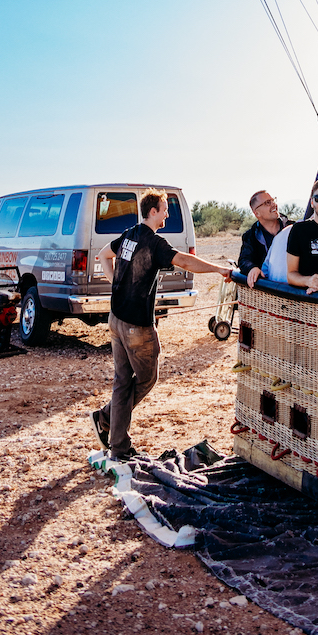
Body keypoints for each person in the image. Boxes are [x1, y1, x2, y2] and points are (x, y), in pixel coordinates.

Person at [96, 190, 230, 460]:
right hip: (136, 326)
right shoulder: (154, 242)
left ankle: (117, 443)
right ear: (153, 211)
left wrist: (116, 285)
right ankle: (108, 416)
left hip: (115, 319)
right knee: (147, 378)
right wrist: (218, 269)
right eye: (165, 208)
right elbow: (185, 261)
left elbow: (102, 255)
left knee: (122, 381)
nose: (168, 213)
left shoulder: (129, 234)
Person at [237, 189, 289, 288]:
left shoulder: (293, 228)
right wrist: (252, 268)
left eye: (273, 200)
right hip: (269, 289)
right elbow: (244, 260)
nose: (273, 204)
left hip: (293, 288)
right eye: (267, 203)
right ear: (257, 213)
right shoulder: (251, 236)